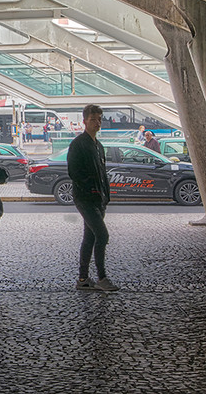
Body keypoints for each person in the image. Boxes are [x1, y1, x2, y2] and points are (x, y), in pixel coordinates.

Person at [68, 104, 119, 292]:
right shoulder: (78, 144)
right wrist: (91, 190)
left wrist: (105, 194)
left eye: (99, 119)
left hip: (99, 199)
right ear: (84, 121)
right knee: (102, 235)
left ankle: (82, 278)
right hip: (86, 198)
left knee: (89, 237)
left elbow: (102, 173)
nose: (97, 123)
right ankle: (102, 277)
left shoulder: (98, 145)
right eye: (93, 120)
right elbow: (74, 172)